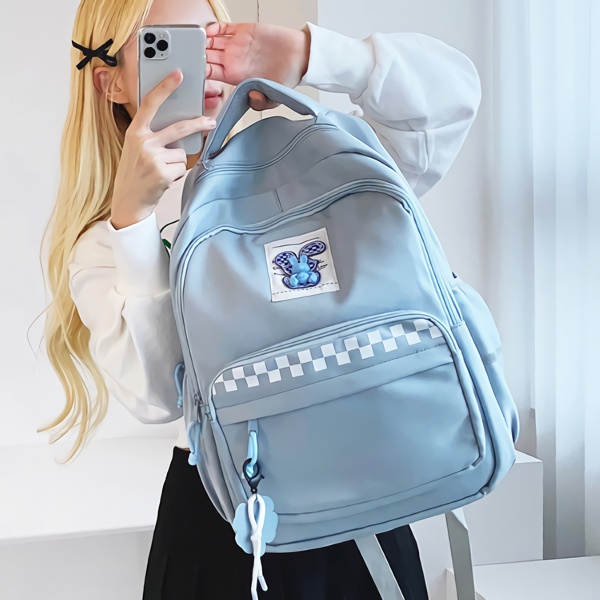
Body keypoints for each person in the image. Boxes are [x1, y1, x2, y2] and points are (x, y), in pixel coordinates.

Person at [40, 0, 481, 597]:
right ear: (109, 81)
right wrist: (135, 223)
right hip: (224, 521)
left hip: (365, 497)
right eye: (166, 44)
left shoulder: (319, 166)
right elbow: (158, 395)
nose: (202, 61)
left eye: (212, 37)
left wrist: (313, 55)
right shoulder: (107, 240)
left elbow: (451, 100)